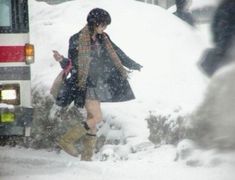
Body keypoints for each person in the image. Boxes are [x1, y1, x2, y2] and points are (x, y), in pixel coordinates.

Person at [52, 8, 142, 161]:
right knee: (97, 118)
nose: (105, 28)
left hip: (99, 83)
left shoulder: (103, 38)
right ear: (95, 23)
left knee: (92, 119)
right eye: (103, 24)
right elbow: (72, 65)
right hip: (86, 85)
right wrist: (61, 60)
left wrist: (132, 64)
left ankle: (87, 158)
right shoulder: (76, 39)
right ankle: (66, 140)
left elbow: (117, 53)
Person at [198, 0, 235, 77]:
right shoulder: (228, 6)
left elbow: (215, 28)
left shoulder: (225, 5)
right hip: (225, 53)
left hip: (223, 51)